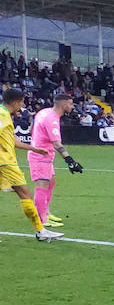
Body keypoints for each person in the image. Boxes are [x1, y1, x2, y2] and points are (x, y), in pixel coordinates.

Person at [0, 88, 63, 242]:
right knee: (26, 195)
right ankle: (41, 232)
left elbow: (14, 141)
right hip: (5, 163)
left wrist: (34, 149)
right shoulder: (2, 115)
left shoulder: (5, 115)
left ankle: (41, 231)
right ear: (15, 101)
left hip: (6, 161)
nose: (22, 105)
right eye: (21, 102)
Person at [26, 93, 82, 228]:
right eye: (70, 104)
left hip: (44, 155)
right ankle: (42, 219)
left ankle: (45, 212)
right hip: (40, 156)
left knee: (51, 182)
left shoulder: (44, 112)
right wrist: (70, 161)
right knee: (42, 185)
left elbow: (33, 126)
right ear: (63, 105)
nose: (72, 106)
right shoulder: (52, 120)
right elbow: (57, 144)